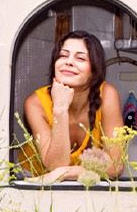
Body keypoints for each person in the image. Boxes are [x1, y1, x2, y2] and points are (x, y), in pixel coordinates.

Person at [17, 30, 127, 181]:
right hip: (34, 181)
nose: (68, 62)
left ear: (94, 71)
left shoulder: (107, 94)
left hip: (81, 182)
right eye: (63, 55)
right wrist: (60, 110)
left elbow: (116, 164)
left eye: (80, 58)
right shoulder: (35, 103)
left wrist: (68, 172)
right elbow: (56, 165)